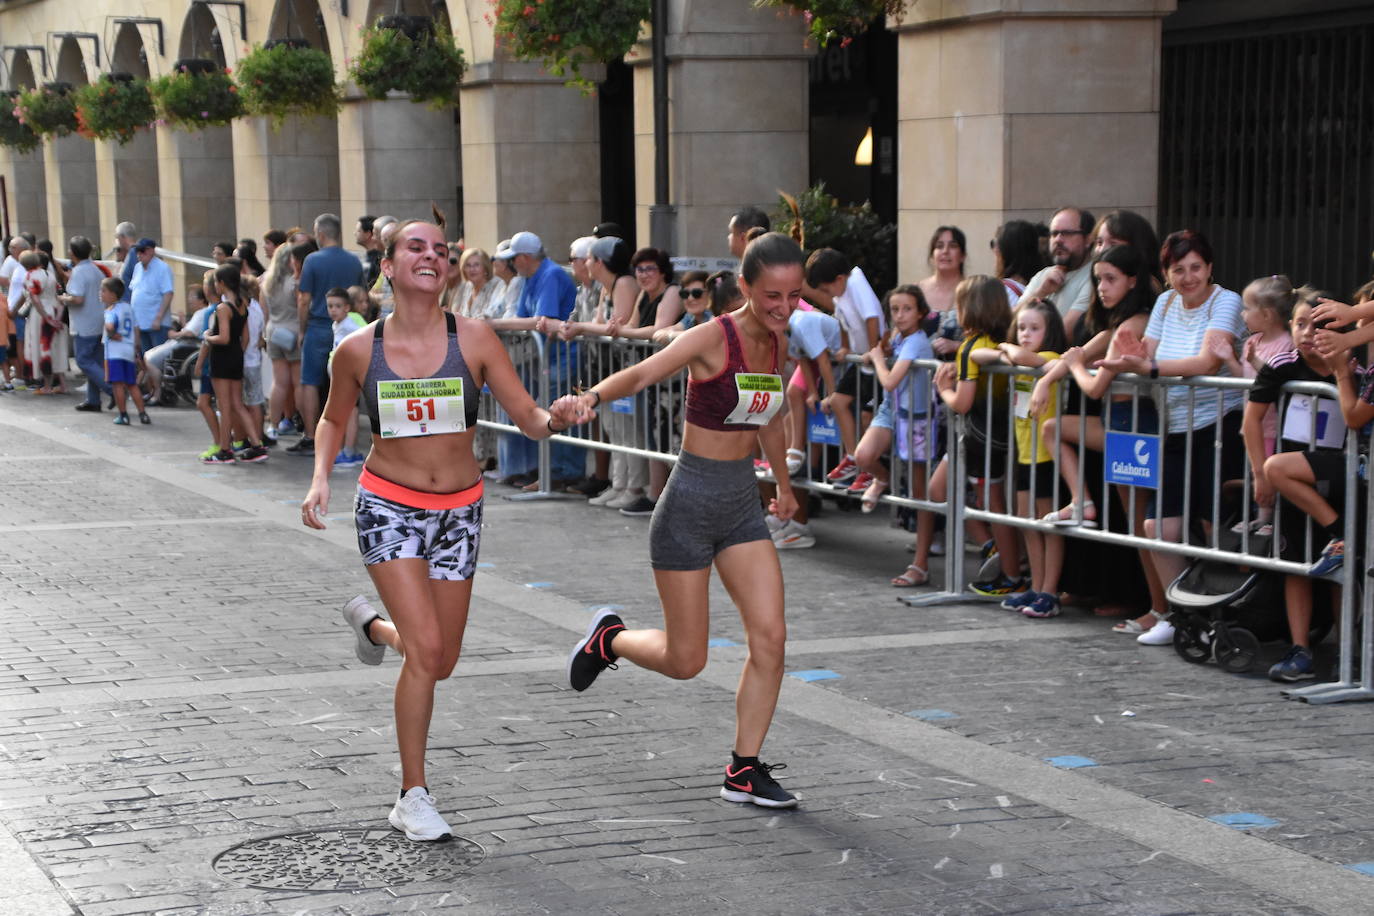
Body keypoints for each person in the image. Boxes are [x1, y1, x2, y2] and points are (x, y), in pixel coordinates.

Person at [301, 214, 569, 842]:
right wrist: (319, 478)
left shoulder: (474, 338)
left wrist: (557, 416)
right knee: (425, 652)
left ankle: (371, 627)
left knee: (440, 659)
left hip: (461, 513)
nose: (431, 256)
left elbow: (528, 417)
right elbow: (334, 420)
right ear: (388, 267)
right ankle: (411, 794)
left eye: (440, 250)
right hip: (388, 508)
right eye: (414, 248)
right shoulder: (358, 349)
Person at [550, 232, 803, 809]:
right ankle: (610, 640)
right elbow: (643, 374)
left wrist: (782, 489)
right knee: (686, 661)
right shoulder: (715, 336)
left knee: (772, 638)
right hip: (688, 505)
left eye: (793, 295)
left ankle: (743, 769)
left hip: (740, 506)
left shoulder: (778, 344)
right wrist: (588, 397)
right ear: (744, 287)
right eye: (771, 296)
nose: (784, 308)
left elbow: (770, 414)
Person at [1096, 229, 1245, 645]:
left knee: (1214, 525)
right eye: (1178, 269)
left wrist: (1151, 368)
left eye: (1196, 267)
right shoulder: (1163, 302)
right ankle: (1180, 615)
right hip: (1173, 424)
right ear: (1166, 272)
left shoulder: (1227, 301)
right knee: (1157, 525)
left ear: (1210, 267)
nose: (1188, 277)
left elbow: (1207, 361)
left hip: (1219, 425)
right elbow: (1149, 351)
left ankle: (1230, 618)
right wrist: (1135, 355)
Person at [1030, 244, 1163, 619]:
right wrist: (1046, 381)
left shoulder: (1134, 323)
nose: (1101, 288)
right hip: (1117, 425)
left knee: (1141, 528)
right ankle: (1081, 501)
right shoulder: (1117, 324)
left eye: (1110, 280)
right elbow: (1081, 354)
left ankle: (1159, 609)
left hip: (1134, 428)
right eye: (1098, 280)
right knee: (1054, 428)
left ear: (1132, 281)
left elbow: (1093, 386)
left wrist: (1071, 367)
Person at [1246, 295, 1351, 681]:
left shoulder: (1350, 367)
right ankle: (1300, 649)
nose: (1307, 333)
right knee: (1298, 566)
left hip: (1338, 478)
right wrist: (1261, 474)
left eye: (1317, 325)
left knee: (1341, 569)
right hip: (1292, 483)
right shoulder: (1282, 366)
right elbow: (1251, 421)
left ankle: (1346, 648)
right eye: (1300, 324)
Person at [909, 276, 1020, 594]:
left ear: (970, 309)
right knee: (941, 489)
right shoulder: (994, 341)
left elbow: (962, 402)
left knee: (992, 503)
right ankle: (995, 552)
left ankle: (1011, 574)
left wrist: (944, 388)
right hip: (987, 436)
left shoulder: (971, 346)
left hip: (980, 438)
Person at [973, 299, 1069, 616]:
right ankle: (1036, 586)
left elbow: (1021, 356)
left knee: (1047, 526)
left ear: (1050, 331)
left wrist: (1007, 350)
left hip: (1046, 457)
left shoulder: (1050, 359)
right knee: (1029, 525)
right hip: (1024, 456)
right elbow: (974, 354)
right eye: (1022, 328)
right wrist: (1004, 350)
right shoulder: (1017, 357)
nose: (1025, 334)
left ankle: (1050, 592)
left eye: (1034, 328)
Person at [852, 286, 934, 581]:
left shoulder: (916, 342)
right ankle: (882, 476)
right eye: (895, 310)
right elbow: (885, 358)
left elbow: (888, 380)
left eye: (907, 309)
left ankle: (920, 564)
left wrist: (875, 359)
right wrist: (875, 354)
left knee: (920, 494)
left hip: (917, 419)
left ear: (921, 313)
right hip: (892, 411)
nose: (899, 315)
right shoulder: (900, 338)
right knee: (863, 455)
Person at [1221, 275, 1297, 534]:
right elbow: (1244, 379)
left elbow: (1275, 379)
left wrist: (1255, 363)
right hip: (1252, 423)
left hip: (1273, 425)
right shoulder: (1252, 343)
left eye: (1246, 308)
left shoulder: (1285, 344)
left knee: (1269, 469)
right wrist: (1229, 358)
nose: (1242, 314)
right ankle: (1260, 515)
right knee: (1255, 471)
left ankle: (1271, 517)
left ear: (1265, 314)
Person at [807, 249, 885, 486]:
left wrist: (874, 349)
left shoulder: (856, 283)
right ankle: (852, 456)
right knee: (838, 401)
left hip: (874, 362)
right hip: (861, 361)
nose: (826, 294)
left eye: (826, 289)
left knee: (866, 416)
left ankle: (872, 469)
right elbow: (840, 318)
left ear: (839, 279)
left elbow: (872, 317)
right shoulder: (841, 293)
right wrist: (843, 346)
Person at [291, 214, 365, 457]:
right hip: (348, 327)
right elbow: (359, 294)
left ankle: (312, 436)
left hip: (318, 325)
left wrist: (302, 329)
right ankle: (343, 440)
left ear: (321, 234)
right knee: (344, 385)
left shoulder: (312, 260)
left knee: (310, 382)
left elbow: (304, 298)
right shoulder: (354, 261)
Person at [203, 265, 269, 464]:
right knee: (238, 404)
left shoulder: (223, 308)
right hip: (236, 357)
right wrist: (237, 351)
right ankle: (256, 444)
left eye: (216, 282)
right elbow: (246, 338)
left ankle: (225, 449)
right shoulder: (243, 306)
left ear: (222, 283)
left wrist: (208, 337)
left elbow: (223, 337)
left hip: (222, 359)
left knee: (225, 406)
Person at [1018, 207, 1096, 334]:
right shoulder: (1042, 276)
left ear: (1088, 240)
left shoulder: (1095, 277)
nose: (1058, 240)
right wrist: (1041, 292)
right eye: (1054, 234)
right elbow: (1011, 323)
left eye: (1067, 233)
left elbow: (1066, 333)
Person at [63, 236, 114, 413]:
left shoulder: (78, 272)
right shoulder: (95, 269)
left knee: (84, 361)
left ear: (73, 253)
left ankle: (111, 389)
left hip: (84, 323)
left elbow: (77, 298)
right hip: (98, 320)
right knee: (95, 363)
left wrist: (63, 298)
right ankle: (93, 399)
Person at [262, 241, 302, 437]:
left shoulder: (267, 282)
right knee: (298, 384)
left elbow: (264, 312)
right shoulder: (294, 282)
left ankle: (273, 426)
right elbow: (301, 307)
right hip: (293, 331)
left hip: (273, 331)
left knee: (278, 383)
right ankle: (303, 424)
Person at [100, 277, 149, 426]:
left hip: (114, 352)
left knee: (117, 385)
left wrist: (111, 334)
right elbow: (136, 328)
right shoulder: (128, 308)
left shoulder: (111, 310)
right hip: (128, 350)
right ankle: (143, 414)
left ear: (113, 294)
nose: (101, 293)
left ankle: (123, 415)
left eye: (103, 291)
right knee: (132, 384)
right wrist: (136, 346)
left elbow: (109, 326)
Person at [327, 287, 367, 467]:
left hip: (348, 372)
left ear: (347, 308)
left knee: (351, 410)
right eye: (330, 306)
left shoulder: (351, 323)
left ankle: (349, 450)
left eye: (337, 306)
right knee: (343, 410)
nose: (333, 310)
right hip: (338, 371)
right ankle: (344, 448)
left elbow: (367, 335)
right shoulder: (337, 324)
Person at [22, 250, 68, 394]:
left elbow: (34, 298)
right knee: (57, 348)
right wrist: (57, 318)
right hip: (54, 308)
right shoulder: (49, 274)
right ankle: (62, 384)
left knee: (43, 348)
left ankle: (47, 385)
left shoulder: (31, 275)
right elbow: (58, 297)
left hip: (40, 314)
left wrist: (47, 318)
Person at [920, 226, 967, 359]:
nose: (945, 251)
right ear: (932, 255)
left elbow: (987, 341)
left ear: (963, 255)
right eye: (939, 246)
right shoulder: (916, 291)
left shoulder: (975, 293)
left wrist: (957, 346)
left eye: (953, 246)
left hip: (960, 374)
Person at [128, 238, 175, 351]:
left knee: (157, 359)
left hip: (156, 324)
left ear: (151, 251)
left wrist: (158, 318)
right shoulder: (137, 267)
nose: (139, 254)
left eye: (142, 251)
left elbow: (168, 293)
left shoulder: (162, 268)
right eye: (137, 251)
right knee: (145, 358)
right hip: (140, 323)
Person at [452, 248, 504, 320]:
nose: (472, 269)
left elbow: (492, 315)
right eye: (468, 265)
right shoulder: (467, 286)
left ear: (485, 267)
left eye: (476, 265)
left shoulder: (497, 285)